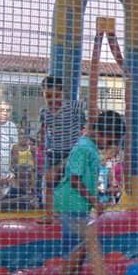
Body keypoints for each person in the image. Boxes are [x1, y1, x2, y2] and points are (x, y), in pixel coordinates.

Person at [53, 110, 125, 275]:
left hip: (81, 205)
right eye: (110, 141)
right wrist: (95, 202)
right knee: (77, 251)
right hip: (71, 204)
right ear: (105, 134)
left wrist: (97, 199)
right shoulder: (83, 147)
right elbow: (74, 179)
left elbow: (88, 179)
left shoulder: (91, 148)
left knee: (80, 252)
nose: (109, 146)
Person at [39, 76, 85, 211]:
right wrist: (41, 142)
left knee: (72, 182)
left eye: (57, 96)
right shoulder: (44, 112)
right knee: (49, 182)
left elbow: (88, 121)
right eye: (48, 96)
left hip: (73, 152)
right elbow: (43, 130)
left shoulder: (73, 106)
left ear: (62, 94)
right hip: (55, 152)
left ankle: (74, 209)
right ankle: (49, 214)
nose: (53, 100)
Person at [0, 101, 19, 179]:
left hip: (5, 174)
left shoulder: (12, 126)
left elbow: (15, 149)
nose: (5, 113)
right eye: (1, 110)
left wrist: (14, 169)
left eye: (8, 110)